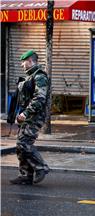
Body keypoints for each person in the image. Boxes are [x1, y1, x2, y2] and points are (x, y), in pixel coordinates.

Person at [10, 50, 50, 185]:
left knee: (24, 143)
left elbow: (40, 98)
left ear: (31, 61)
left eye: (23, 62)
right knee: (20, 146)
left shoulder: (40, 77)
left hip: (35, 117)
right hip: (27, 117)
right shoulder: (29, 77)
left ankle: (41, 167)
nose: (22, 65)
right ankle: (26, 175)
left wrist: (25, 113)